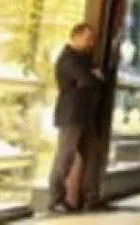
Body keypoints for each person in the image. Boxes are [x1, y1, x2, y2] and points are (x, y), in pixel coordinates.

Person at [48, 23, 102, 214]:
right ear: (76, 37)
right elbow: (88, 80)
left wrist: (92, 77)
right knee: (65, 157)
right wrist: (92, 77)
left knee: (92, 155)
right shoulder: (68, 59)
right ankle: (55, 198)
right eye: (88, 39)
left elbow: (91, 79)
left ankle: (91, 197)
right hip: (71, 115)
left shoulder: (84, 58)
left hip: (85, 115)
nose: (91, 43)